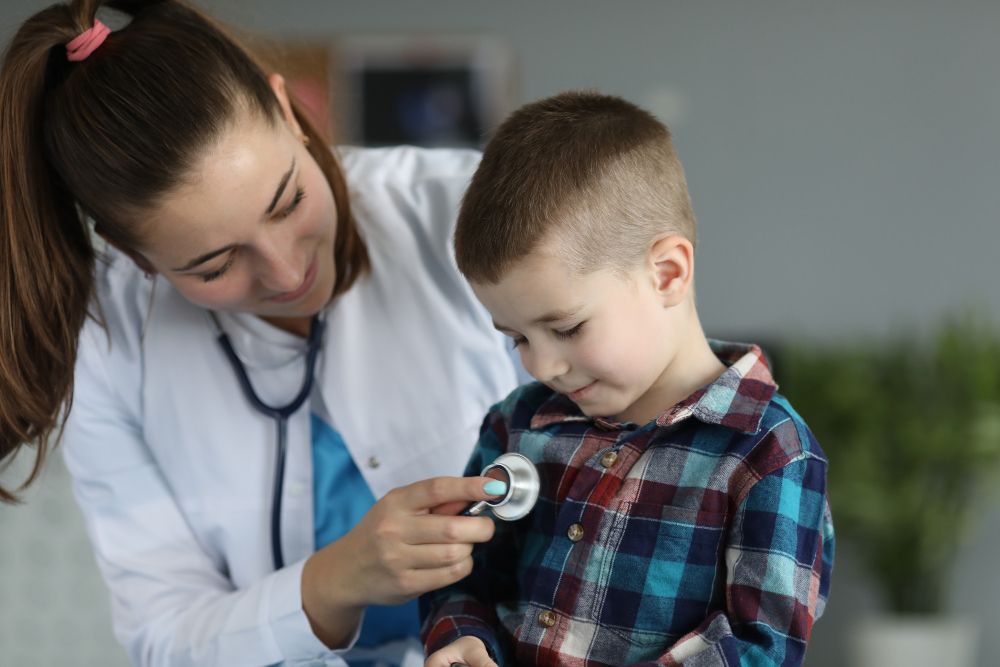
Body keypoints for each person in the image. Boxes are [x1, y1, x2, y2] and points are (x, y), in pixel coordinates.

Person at [0, 1, 520, 665]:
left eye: (288, 202)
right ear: (133, 255)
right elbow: (164, 634)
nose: (287, 270)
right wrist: (336, 578)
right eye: (215, 264)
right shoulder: (108, 339)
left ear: (288, 111)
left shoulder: (467, 213)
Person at [420, 91, 835, 667]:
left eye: (565, 328)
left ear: (667, 274)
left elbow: (760, 650)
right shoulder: (520, 422)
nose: (539, 366)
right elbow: (462, 573)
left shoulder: (770, 454)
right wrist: (460, 633)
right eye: (516, 337)